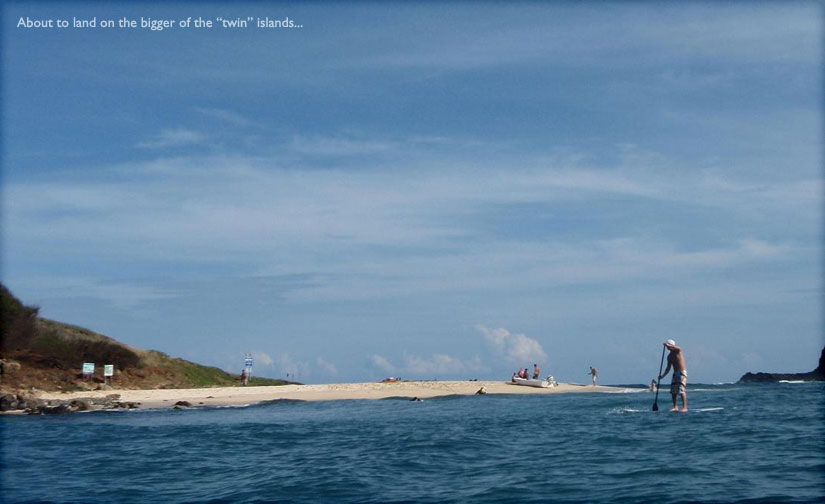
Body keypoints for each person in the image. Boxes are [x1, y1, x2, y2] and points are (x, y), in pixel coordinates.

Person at [659, 339, 688, 412]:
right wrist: (662, 376)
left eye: (668, 346)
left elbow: (678, 348)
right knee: (673, 391)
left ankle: (685, 408)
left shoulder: (678, 351)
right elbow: (668, 368)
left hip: (682, 373)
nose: (667, 347)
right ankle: (675, 407)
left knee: (681, 390)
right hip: (675, 374)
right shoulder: (669, 356)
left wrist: (669, 345)